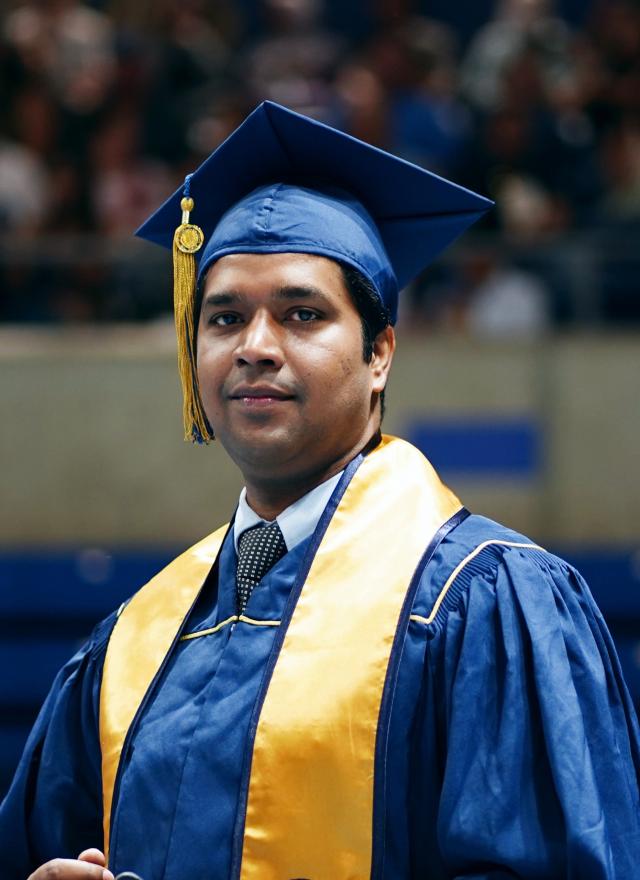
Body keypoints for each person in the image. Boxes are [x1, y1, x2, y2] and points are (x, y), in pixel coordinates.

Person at [2, 102, 639, 880]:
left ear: (379, 355)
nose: (256, 347)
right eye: (225, 317)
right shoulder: (131, 644)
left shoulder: (482, 605)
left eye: (302, 314)